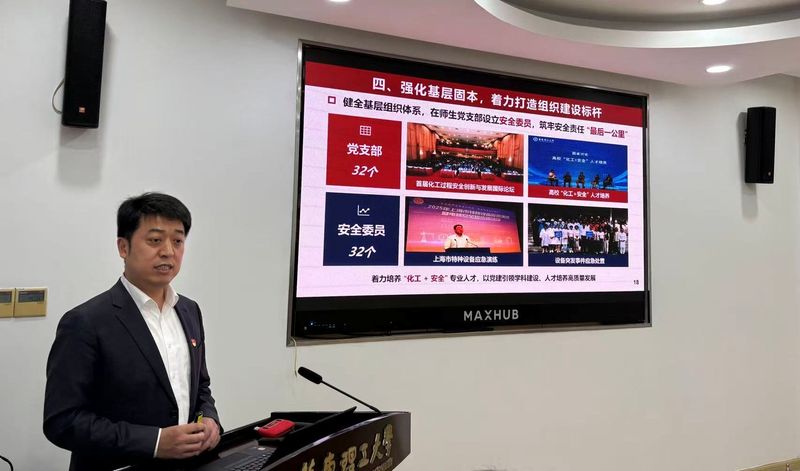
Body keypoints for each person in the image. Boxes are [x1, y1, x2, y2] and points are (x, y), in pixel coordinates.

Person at [44, 192, 221, 471]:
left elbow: (201, 388)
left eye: (177, 241)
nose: (168, 251)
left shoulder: (189, 311)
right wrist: (155, 442)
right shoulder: (85, 322)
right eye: (155, 240)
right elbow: (63, 421)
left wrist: (209, 419)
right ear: (123, 247)